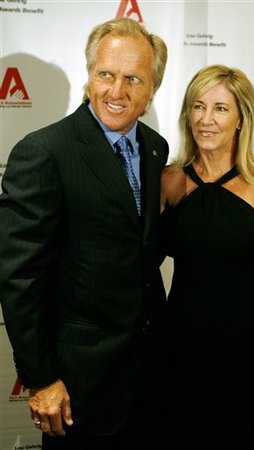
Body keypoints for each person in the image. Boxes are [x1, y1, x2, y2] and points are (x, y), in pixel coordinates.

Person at [0, 17, 169, 450]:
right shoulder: (44, 152)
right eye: (106, 75)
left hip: (149, 379)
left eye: (133, 78)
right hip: (79, 388)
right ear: (90, 76)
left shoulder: (155, 147)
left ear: (151, 89)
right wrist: (40, 380)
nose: (117, 91)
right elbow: (20, 278)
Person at [161, 64, 254, 450]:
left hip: (246, 353)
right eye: (198, 106)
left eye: (221, 109)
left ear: (242, 118)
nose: (206, 120)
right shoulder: (171, 181)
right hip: (181, 349)